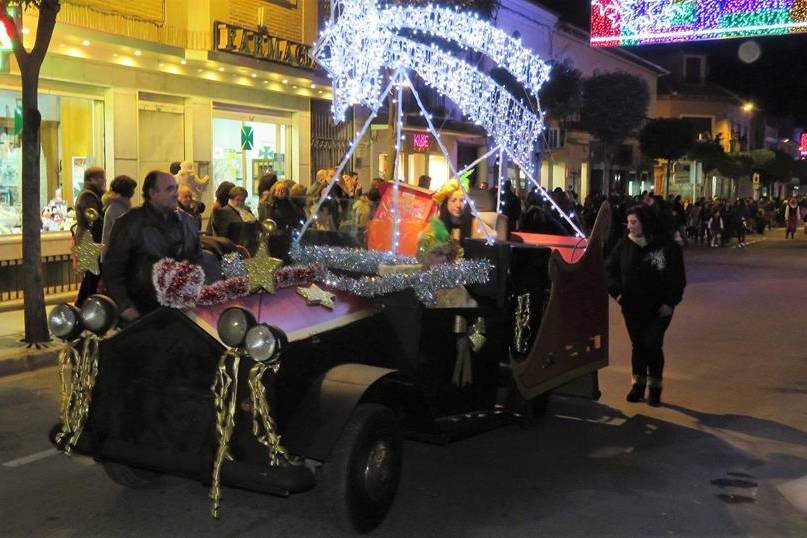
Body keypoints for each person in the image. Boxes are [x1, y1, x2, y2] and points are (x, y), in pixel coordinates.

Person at [606, 205, 686, 407]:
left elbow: (677, 277)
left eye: (634, 222)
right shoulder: (624, 244)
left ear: (645, 222)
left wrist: (670, 301)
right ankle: (638, 386)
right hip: (632, 307)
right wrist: (618, 294)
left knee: (652, 344)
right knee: (638, 346)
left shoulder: (665, 246)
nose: (630, 226)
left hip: (659, 309)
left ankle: (655, 389)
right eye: (629, 222)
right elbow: (609, 271)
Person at [103, 171, 202, 321]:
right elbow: (113, 268)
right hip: (142, 313)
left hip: (182, 313)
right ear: (152, 193)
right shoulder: (129, 223)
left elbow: (197, 260)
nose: (175, 194)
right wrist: (124, 307)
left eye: (175, 188)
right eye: (169, 189)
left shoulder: (188, 222)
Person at [74, 166, 107, 306]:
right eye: (100, 177)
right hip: (90, 239)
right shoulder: (88, 196)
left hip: (90, 239)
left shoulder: (92, 194)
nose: (103, 181)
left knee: (92, 276)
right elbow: (92, 216)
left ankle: (83, 304)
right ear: (91, 179)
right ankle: (83, 304)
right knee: (92, 276)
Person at [101, 175, 137, 263]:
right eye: (132, 189)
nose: (133, 192)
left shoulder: (119, 205)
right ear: (126, 190)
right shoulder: (116, 207)